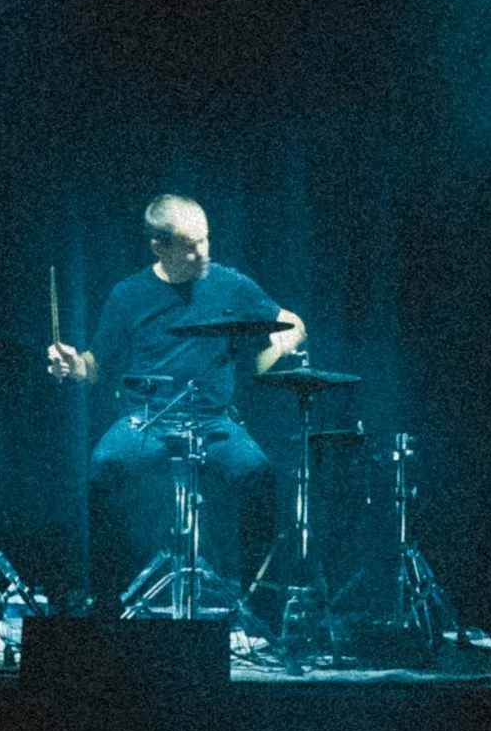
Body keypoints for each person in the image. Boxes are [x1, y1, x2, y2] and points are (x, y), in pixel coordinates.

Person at [47, 195, 305, 612]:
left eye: (205, 240)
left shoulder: (230, 284)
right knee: (102, 467)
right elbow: (94, 364)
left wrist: (288, 337)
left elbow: (292, 319)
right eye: (189, 245)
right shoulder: (127, 294)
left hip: (213, 420)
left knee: (259, 473)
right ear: (158, 247)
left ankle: (263, 605)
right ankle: (105, 604)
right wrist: (69, 365)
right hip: (146, 419)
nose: (202, 252)